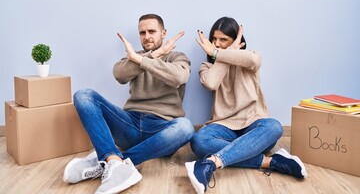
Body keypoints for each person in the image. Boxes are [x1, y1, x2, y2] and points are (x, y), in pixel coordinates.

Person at [63, 14, 195, 194]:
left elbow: (179, 77)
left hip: (161, 131)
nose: (147, 36)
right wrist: (151, 55)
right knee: (83, 95)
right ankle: (114, 162)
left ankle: (110, 161)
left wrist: (144, 60)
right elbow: (119, 74)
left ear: (163, 33)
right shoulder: (133, 57)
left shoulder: (177, 56)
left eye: (152, 31)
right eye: (142, 32)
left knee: (186, 127)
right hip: (129, 124)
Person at [185, 17, 307, 194]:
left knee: (274, 127)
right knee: (198, 141)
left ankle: (213, 162)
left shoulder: (249, 58)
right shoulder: (206, 66)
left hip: (253, 124)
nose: (216, 44)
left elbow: (254, 61)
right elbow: (211, 83)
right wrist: (220, 56)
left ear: (236, 41)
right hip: (223, 127)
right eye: (214, 39)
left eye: (223, 40)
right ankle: (270, 161)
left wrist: (219, 53)